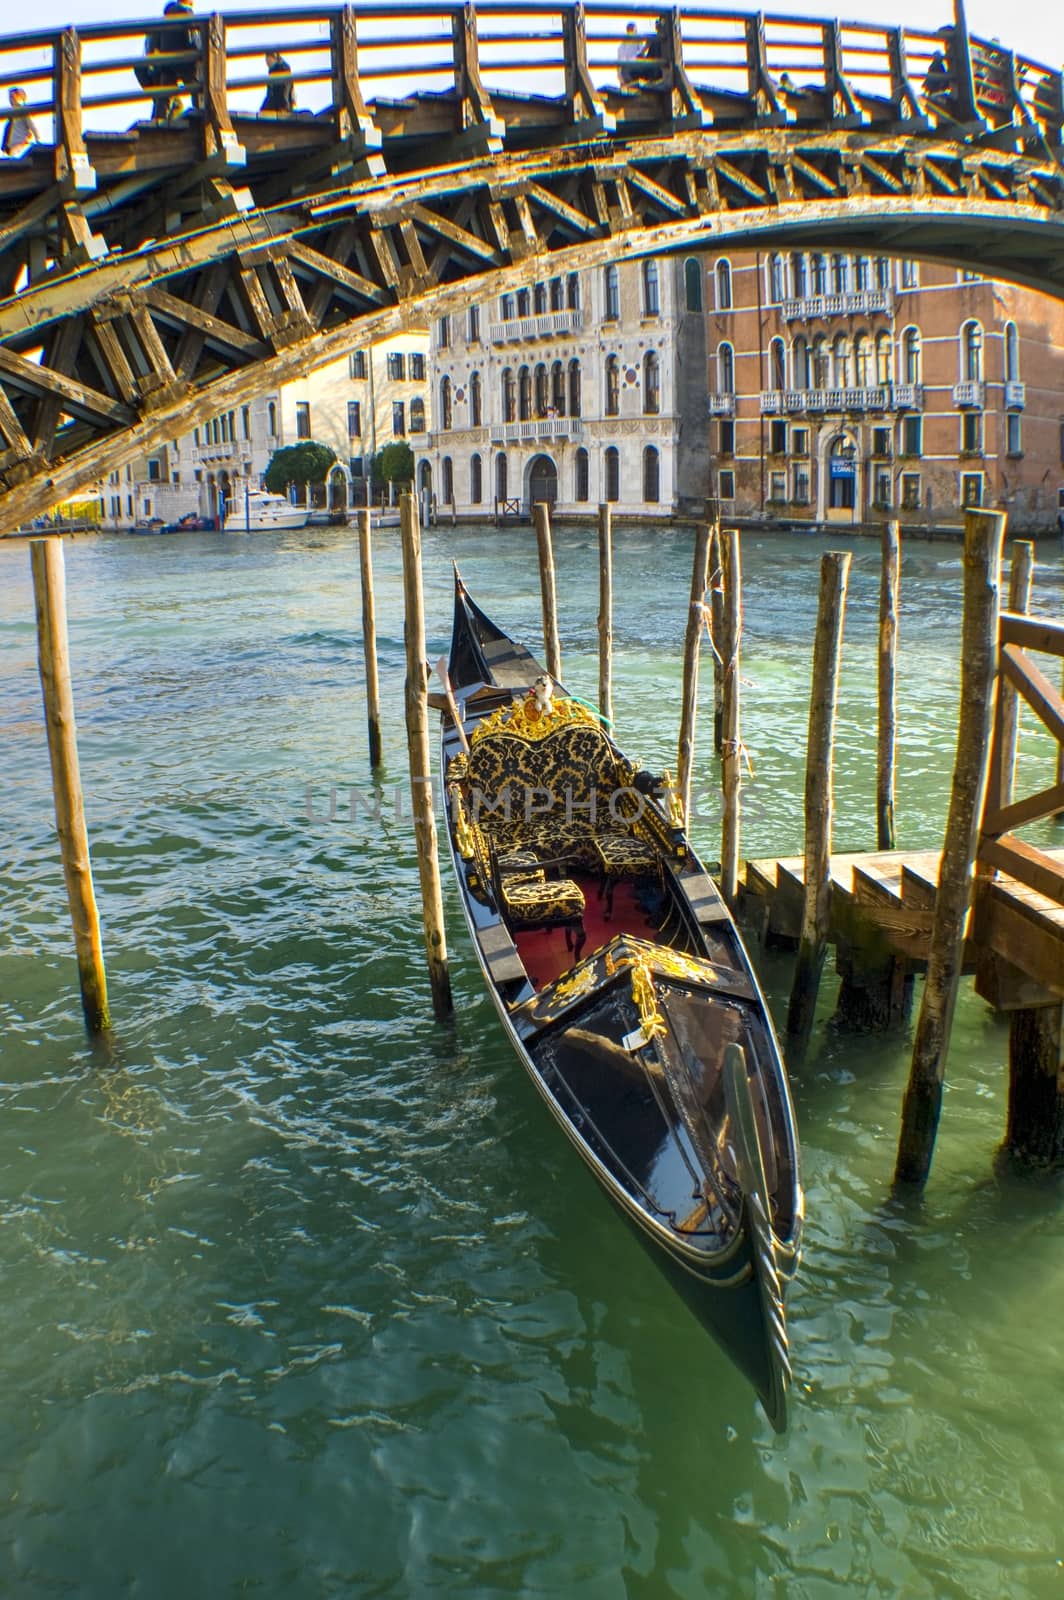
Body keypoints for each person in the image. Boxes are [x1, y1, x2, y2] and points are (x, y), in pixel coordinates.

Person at [137, 0, 198, 124]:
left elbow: (148, 51)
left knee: (165, 85)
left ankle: (161, 117)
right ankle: (197, 108)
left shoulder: (158, 24)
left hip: (160, 71)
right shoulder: (188, 16)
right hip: (183, 66)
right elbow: (195, 42)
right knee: (198, 82)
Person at [2, 87, 39, 158]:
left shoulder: (23, 111)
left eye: (13, 96)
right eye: (10, 97)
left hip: (20, 146)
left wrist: (38, 141)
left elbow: (32, 126)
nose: (11, 99)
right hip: (10, 150)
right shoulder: (11, 115)